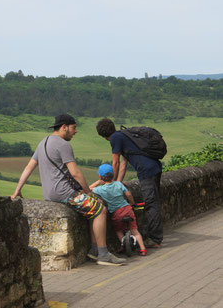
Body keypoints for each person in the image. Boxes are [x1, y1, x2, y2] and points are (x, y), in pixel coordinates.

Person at [11, 114, 126, 266]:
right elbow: (75, 173)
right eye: (74, 128)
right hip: (64, 192)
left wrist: (17, 190)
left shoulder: (42, 143)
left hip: (49, 193)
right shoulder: (63, 145)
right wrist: (89, 193)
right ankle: (103, 254)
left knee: (92, 210)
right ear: (64, 127)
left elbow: (29, 167)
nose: (75, 131)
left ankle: (93, 250)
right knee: (101, 209)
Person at [96, 118, 163, 248]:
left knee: (151, 203)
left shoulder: (115, 138)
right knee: (153, 202)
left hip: (146, 171)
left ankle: (155, 239)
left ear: (103, 135)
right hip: (154, 167)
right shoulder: (123, 135)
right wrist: (117, 183)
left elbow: (115, 162)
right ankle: (150, 235)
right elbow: (124, 162)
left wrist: (110, 182)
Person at [90, 164, 147, 256]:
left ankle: (123, 245)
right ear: (113, 175)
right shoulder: (118, 184)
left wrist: (98, 182)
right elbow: (128, 195)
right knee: (134, 230)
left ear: (100, 176)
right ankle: (143, 249)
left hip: (116, 213)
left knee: (118, 230)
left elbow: (88, 189)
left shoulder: (100, 189)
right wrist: (132, 203)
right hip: (127, 209)